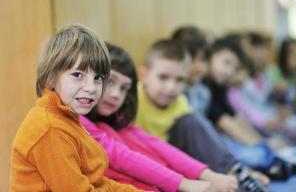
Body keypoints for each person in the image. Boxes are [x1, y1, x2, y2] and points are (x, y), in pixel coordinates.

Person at [81, 42, 238, 192]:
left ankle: (238, 173)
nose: (116, 94)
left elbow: (156, 144)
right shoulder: (81, 122)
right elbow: (121, 156)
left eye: (124, 88)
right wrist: (183, 183)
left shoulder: (115, 120)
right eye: (109, 82)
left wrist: (205, 175)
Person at [10, 24, 139, 191]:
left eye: (98, 78)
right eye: (78, 75)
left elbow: (99, 183)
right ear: (50, 78)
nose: (91, 88)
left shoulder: (66, 117)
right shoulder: (50, 128)